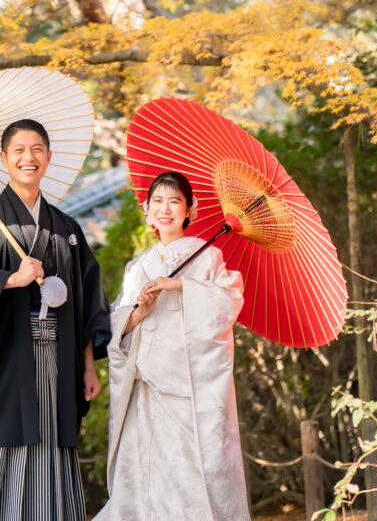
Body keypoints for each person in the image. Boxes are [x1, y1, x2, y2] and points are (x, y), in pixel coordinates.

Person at [0, 118, 111, 521]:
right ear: (3, 159)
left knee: (49, 444)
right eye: (18, 150)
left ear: (48, 158)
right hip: (2, 360)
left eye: (36, 149)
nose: (27, 157)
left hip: (57, 360)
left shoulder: (67, 229)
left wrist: (88, 366)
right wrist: (9, 279)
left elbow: (86, 302)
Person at [95, 170, 250, 521]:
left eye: (175, 201)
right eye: (158, 202)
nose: (165, 209)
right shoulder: (137, 268)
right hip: (145, 387)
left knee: (192, 473)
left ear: (189, 212)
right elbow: (117, 325)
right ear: (146, 210)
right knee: (145, 478)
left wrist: (181, 287)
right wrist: (139, 311)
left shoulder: (207, 257)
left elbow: (228, 303)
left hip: (190, 387)